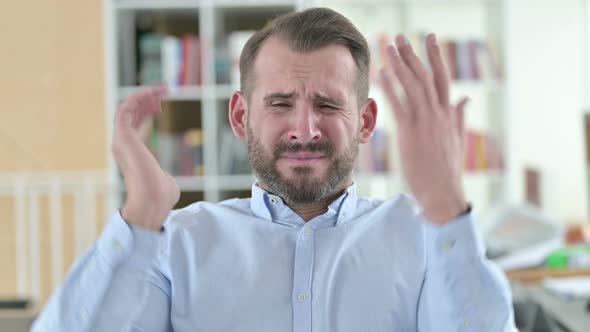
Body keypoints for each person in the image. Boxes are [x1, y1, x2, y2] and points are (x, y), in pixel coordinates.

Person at [32, 7, 517, 332]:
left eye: (327, 104)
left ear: (366, 120)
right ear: (241, 117)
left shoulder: (424, 237)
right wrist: (139, 217)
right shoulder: (177, 242)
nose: (304, 129)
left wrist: (446, 207)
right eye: (281, 103)